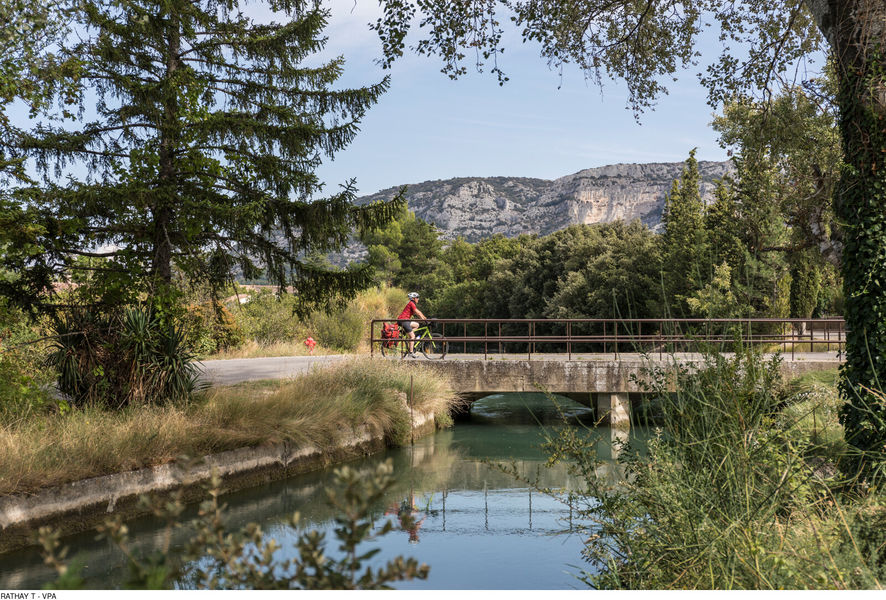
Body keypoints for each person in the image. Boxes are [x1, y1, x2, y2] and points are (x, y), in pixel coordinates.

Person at [397, 292, 428, 358]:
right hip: (404, 321)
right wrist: (424, 320)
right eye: (417, 297)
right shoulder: (411, 303)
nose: (418, 299)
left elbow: (419, 312)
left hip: (404, 321)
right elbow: (418, 313)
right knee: (412, 336)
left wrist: (424, 318)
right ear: (413, 298)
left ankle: (407, 334)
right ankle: (411, 353)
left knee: (417, 325)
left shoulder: (412, 304)